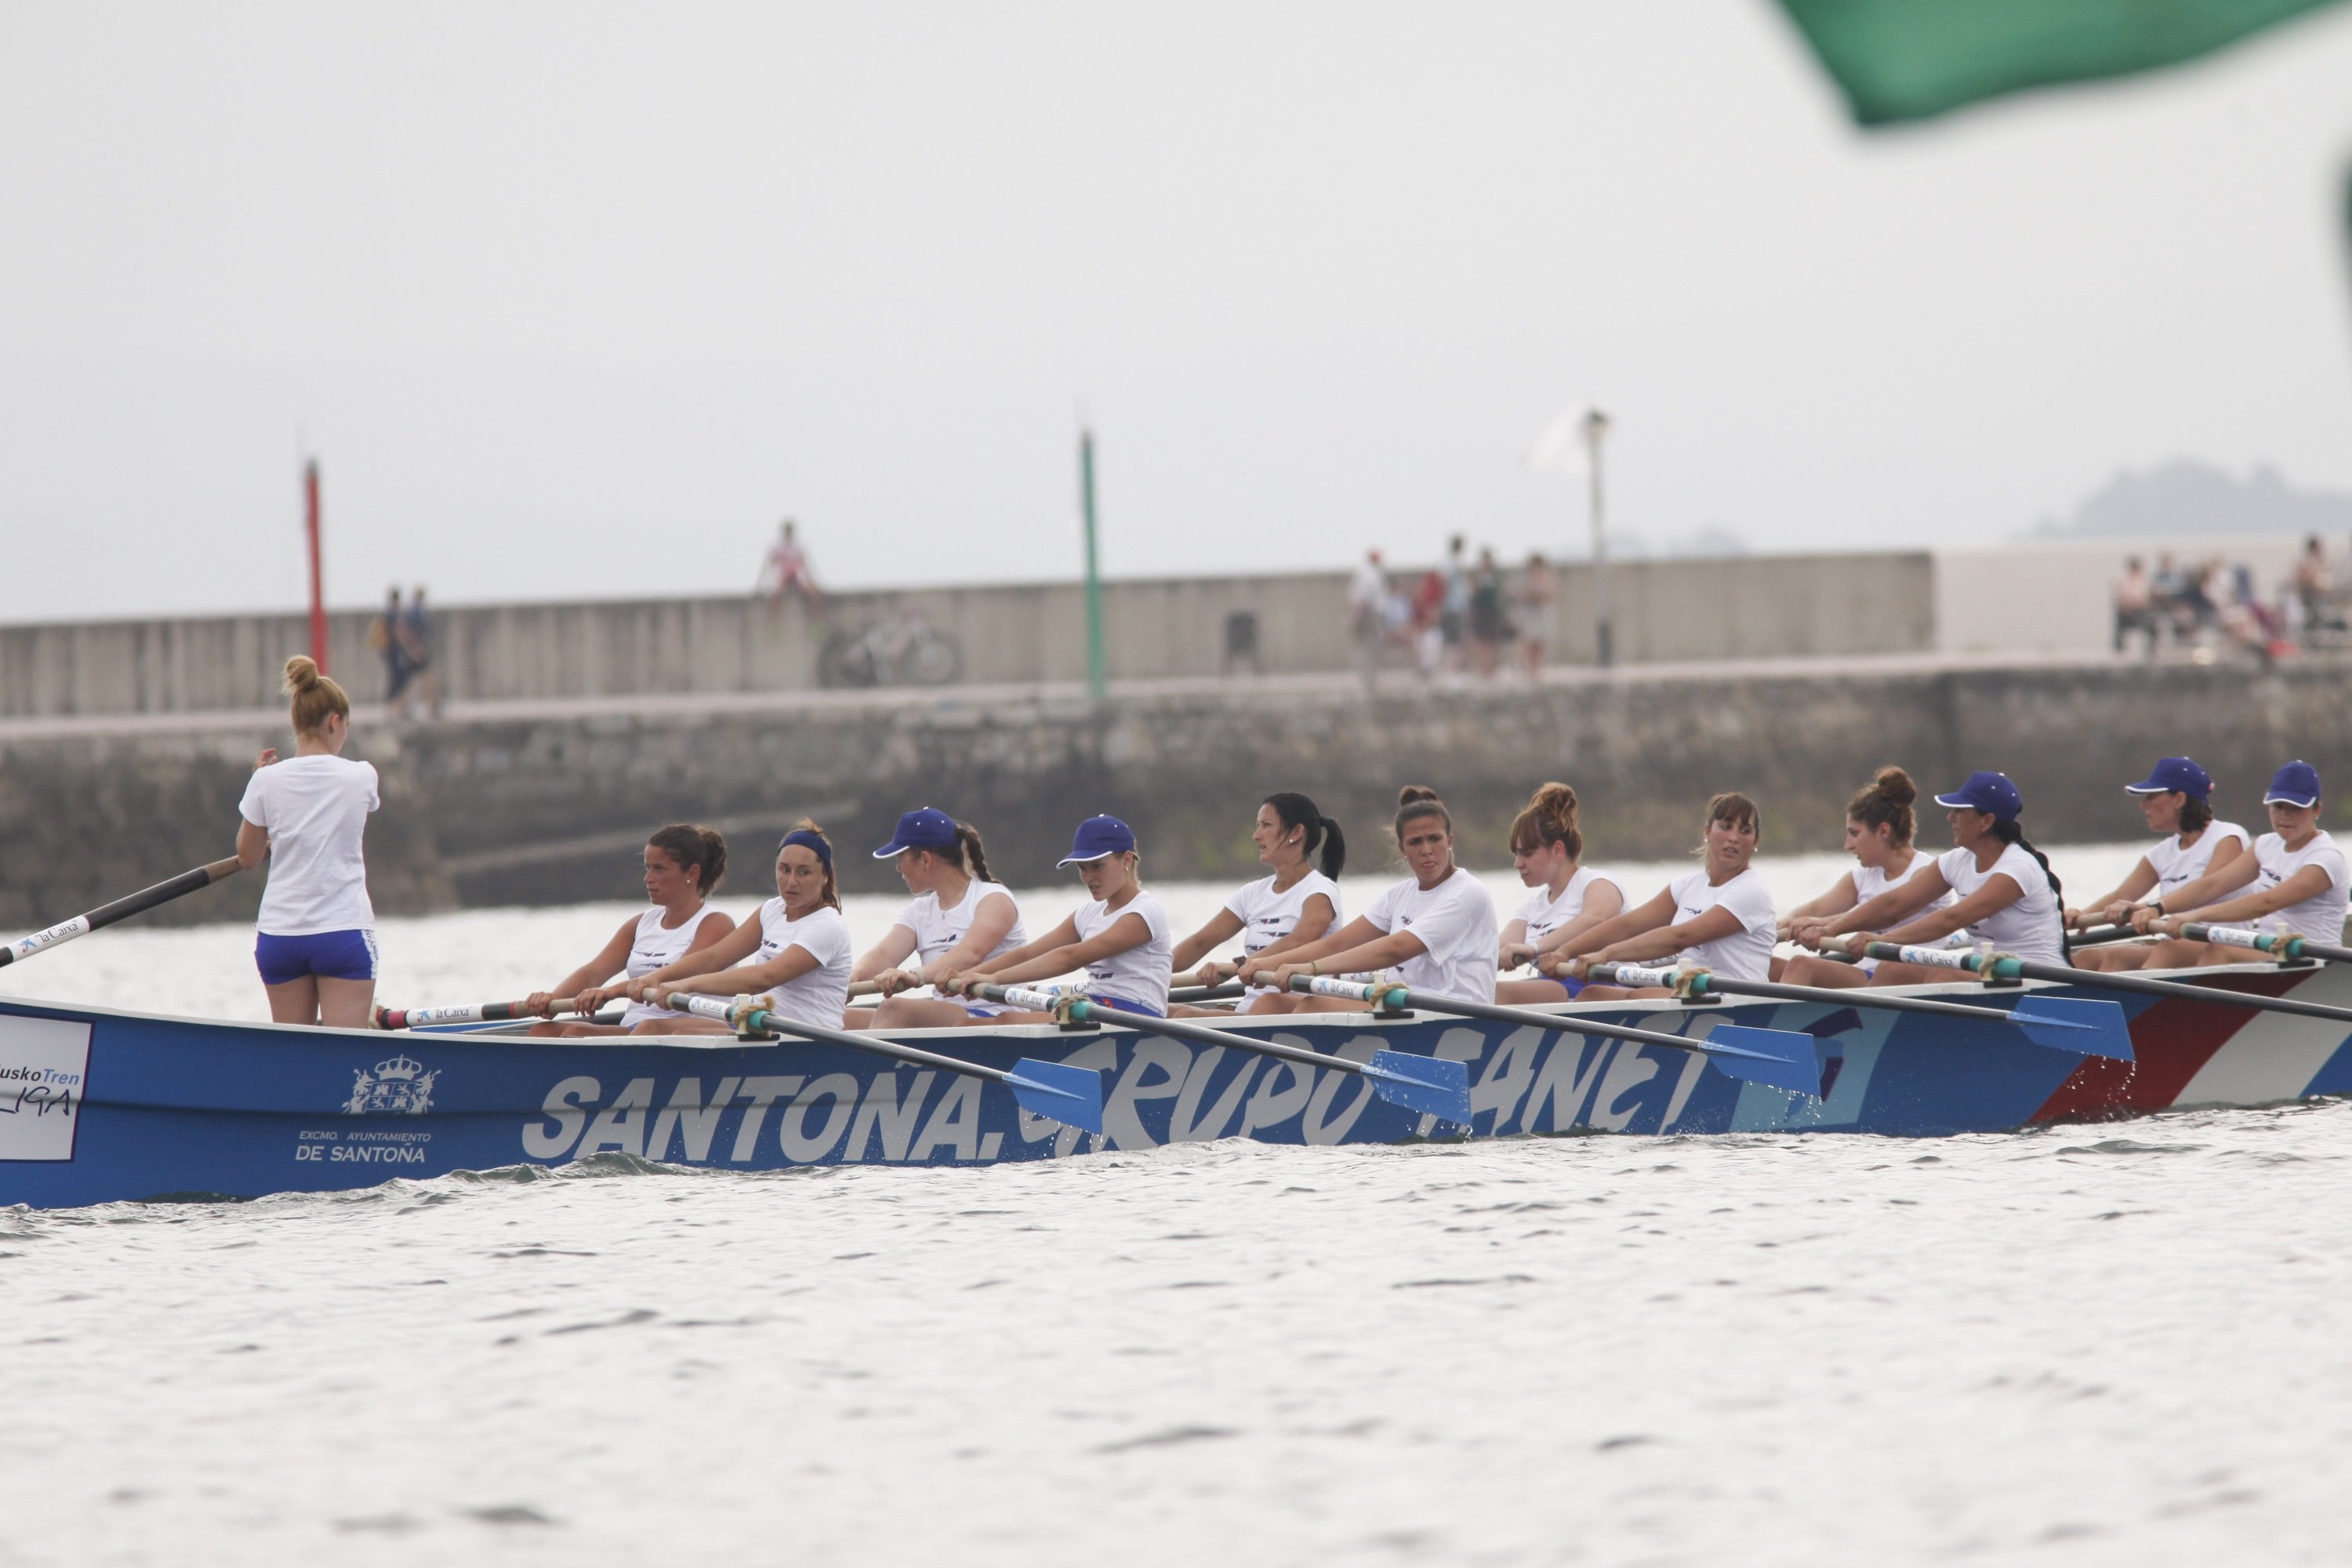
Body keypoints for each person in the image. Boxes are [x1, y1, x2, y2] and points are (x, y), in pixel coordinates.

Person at [1791, 771, 2067, 985]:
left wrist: (1883, 940)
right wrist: (1832, 929)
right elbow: (1894, 904)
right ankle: (1872, 1034)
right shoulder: (1956, 861)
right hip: (1991, 969)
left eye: (1960, 811)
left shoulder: (2018, 867)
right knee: (1892, 969)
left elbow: (1951, 919)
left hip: (2040, 979)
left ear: (1987, 821)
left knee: (1942, 975)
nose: (1950, 817)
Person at [583, 822, 851, 1033]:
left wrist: (684, 985)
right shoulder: (772, 910)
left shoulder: (826, 925)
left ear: (824, 877)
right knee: (642, 1028)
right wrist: (656, 979)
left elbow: (765, 977)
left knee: (653, 1029)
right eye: (784, 870)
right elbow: (714, 957)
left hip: (805, 1038)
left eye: (804, 872)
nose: (791, 881)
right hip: (759, 1027)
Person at [1250, 786, 1497, 1010]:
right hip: (1404, 1006)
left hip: (1453, 1013)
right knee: (1271, 1003)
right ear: (1402, 849)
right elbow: (1337, 944)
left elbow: (1396, 949)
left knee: (1311, 1007)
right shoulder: (1399, 894)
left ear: (1450, 841)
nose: (1426, 850)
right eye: (1415, 842)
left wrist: (1310, 968)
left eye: (1435, 839)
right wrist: (1262, 963)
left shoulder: (1467, 893)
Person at [236, 656, 381, 1029]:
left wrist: (259, 787)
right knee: (345, 1054)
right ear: (334, 722)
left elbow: (249, 857)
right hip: (342, 930)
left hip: (281, 935)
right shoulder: (362, 776)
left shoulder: (265, 781)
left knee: (292, 1054)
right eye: (346, 726)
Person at [940, 815, 1174, 1021]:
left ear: (1127, 860)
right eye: (1082, 868)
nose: (1088, 877)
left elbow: (1070, 958)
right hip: (1097, 1010)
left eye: (1097, 866)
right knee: (997, 1020)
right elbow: (1027, 954)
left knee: (1008, 1019)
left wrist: (994, 978)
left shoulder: (1144, 913)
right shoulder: (1088, 913)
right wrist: (968, 975)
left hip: (1138, 1018)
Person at [1548, 793, 1775, 1000]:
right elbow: (1626, 926)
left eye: (1745, 831)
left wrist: (1606, 955)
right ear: (1707, 831)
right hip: (1695, 992)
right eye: (1726, 827)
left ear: (1755, 842)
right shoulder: (1686, 886)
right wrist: (1564, 951)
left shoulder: (1750, 891)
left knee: (1633, 997)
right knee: (1593, 994)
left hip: (1738, 1001)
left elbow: (1680, 938)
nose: (1734, 838)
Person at [2134, 761, 2350, 969]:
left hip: (2313, 957)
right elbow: (2213, 884)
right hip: (2271, 949)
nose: (2285, 816)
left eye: (2296, 808)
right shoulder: (2265, 844)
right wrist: (2155, 907)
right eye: (2278, 806)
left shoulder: (2325, 857)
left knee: (2218, 951)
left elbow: (2266, 902)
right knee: (2169, 949)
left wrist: (2194, 916)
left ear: (2317, 810)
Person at [519, 826, 735, 1034]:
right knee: (542, 1030)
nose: (648, 878)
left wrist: (612, 991)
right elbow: (593, 973)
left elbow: (678, 975)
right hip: (638, 1028)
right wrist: (551, 1000)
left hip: (696, 1028)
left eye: (659, 869)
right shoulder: (639, 924)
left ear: (693, 873)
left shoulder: (715, 923)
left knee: (585, 1031)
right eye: (648, 868)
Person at [2063, 758, 2250, 972]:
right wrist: (2080, 916)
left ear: (2179, 799)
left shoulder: (2228, 837)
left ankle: (2132, 994)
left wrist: (2151, 908)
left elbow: (2206, 890)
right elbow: (2121, 895)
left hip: (2225, 944)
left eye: (2151, 797)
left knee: (2168, 950)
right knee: (2090, 957)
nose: (2143, 805)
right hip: (2179, 941)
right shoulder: (2162, 852)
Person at [1168, 793, 1347, 1016]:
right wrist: (1152, 968)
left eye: (1266, 825)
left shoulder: (1321, 891)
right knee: (1159, 1012)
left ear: (1296, 833)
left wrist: (1238, 966)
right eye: (1257, 826)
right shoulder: (1252, 893)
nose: (1256, 835)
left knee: (1185, 1016)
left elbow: (1299, 941)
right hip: (1252, 1012)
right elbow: (1199, 943)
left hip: (1295, 1011)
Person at [851, 809, 1028, 1029]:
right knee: (835, 1018)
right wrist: (852, 978)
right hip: (949, 1015)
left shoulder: (993, 899)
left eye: (900, 859)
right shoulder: (919, 911)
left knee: (893, 1009)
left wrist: (916, 976)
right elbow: (883, 955)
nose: (898, 868)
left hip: (995, 1014)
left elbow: (971, 952)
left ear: (925, 859)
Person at [1777, 768, 1951, 989]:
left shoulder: (1926, 872)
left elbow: (1891, 911)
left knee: (1805, 967)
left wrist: (1824, 926)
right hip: (1870, 975)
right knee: (1786, 966)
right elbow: (1816, 908)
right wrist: (1783, 925)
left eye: (1855, 833)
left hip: (1913, 978)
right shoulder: (1863, 875)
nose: (1848, 845)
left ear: (1883, 832)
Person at [1493, 782, 1624, 1004]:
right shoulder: (1530, 907)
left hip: (1605, 989)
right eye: (1516, 854)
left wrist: (1534, 948)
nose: (1517, 864)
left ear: (1557, 850)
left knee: (1497, 993)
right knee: (1480, 991)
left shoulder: (1597, 882)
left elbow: (1597, 918)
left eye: (1526, 854)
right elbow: (1496, 951)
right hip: (1558, 994)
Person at [758, 518, 822, 615]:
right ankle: (774, 619)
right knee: (775, 595)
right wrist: (762, 584)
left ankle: (816, 617)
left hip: (797, 576)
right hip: (783, 576)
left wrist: (812, 581)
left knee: (814, 594)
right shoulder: (777, 547)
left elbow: (805, 566)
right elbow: (769, 566)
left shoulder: (798, 547)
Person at [397, 586, 440, 720]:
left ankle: (403, 707)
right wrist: (415, 649)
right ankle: (432, 707)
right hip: (416, 650)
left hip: (414, 650)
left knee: (410, 680)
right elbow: (411, 630)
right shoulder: (416, 611)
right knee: (427, 678)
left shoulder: (412, 609)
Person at [1467, 547, 1510, 680]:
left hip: (1493, 612)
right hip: (1480, 612)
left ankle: (1491, 670)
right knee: (1481, 641)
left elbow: (1502, 592)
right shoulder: (1477, 576)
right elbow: (1472, 593)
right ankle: (1482, 669)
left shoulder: (1497, 576)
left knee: (1493, 641)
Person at [369, 586, 414, 710]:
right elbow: (398, 632)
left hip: (387, 650)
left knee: (396, 675)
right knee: (399, 676)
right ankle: (392, 703)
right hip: (393, 650)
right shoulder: (393, 613)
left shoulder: (387, 612)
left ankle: (393, 703)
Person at [1349, 549, 1388, 689]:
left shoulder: (1366, 573)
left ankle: (1369, 678)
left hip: (1369, 612)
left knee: (1369, 646)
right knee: (1371, 647)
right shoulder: (1369, 574)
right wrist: (1357, 616)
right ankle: (1370, 679)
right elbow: (1363, 597)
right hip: (1370, 612)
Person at [1515, 552, 1555, 680]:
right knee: (1529, 641)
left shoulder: (1546, 577)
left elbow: (1553, 592)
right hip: (1530, 613)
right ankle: (1529, 667)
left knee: (1540, 642)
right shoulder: (1526, 578)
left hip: (1542, 613)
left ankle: (1536, 667)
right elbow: (1521, 593)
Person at [2113, 557, 2156, 659]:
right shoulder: (2124, 581)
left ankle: (2151, 649)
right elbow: (2121, 598)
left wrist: (2139, 602)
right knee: (2122, 618)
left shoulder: (2143, 581)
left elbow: (2146, 598)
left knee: (2152, 621)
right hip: (2128, 611)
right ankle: (2119, 649)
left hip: (2141, 610)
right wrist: (2129, 603)